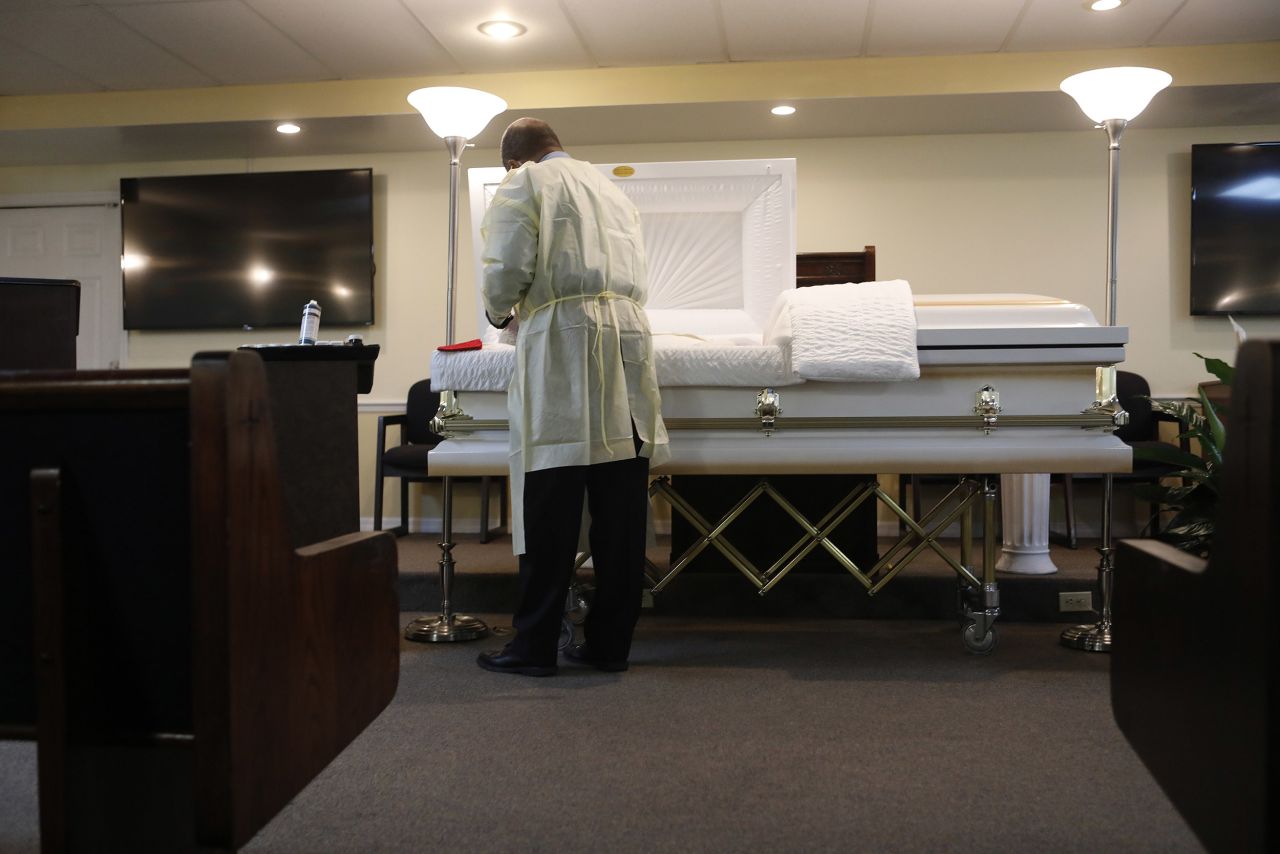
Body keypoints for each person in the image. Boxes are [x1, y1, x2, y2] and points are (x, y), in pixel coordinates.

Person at [476, 118, 669, 677]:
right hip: (628, 343)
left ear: (515, 160)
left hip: (563, 340)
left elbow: (504, 269)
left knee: (550, 505)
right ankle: (610, 645)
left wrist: (498, 313)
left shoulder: (526, 183)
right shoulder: (614, 191)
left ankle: (533, 646)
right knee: (620, 512)